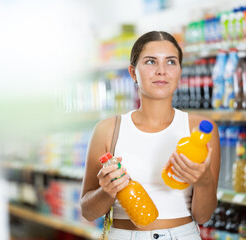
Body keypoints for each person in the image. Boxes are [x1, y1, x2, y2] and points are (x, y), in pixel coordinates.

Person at [80, 31, 220, 240]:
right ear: (133, 72)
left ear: (180, 71)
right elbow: (88, 211)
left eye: (171, 62)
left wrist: (204, 181)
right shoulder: (108, 130)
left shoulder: (200, 130)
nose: (161, 71)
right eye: (151, 62)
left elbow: (203, 215)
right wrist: (106, 191)